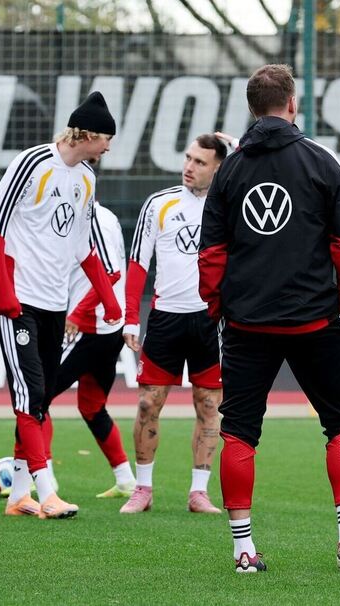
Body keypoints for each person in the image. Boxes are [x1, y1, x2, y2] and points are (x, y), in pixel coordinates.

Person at [199, 64, 340, 573]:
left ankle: (243, 551)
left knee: (239, 432)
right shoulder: (323, 162)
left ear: (251, 108)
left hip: (246, 323)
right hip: (317, 320)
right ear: (292, 103)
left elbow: (211, 253)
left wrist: (218, 306)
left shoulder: (229, 172)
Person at [0, 91, 122, 519]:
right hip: (19, 301)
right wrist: (4, 293)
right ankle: (47, 492)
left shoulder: (86, 178)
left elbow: (84, 247)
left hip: (54, 303)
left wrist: (109, 300)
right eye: (107, 139)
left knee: (41, 397)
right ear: (89, 134)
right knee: (29, 394)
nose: (108, 147)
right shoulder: (31, 163)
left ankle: (18, 496)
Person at [118, 134, 227, 515]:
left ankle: (199, 492)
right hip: (166, 318)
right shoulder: (159, 203)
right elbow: (138, 263)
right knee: (148, 403)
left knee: (209, 406)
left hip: (211, 320)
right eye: (188, 158)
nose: (189, 167)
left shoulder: (228, 205)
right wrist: (131, 318)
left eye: (200, 162)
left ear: (218, 168)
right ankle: (142, 489)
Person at [54, 200, 136, 499]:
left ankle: (39, 479)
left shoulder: (92, 221)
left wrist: (78, 313)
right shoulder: (107, 216)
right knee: (91, 406)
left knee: (35, 398)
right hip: (109, 329)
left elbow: (110, 273)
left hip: (90, 327)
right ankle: (126, 480)